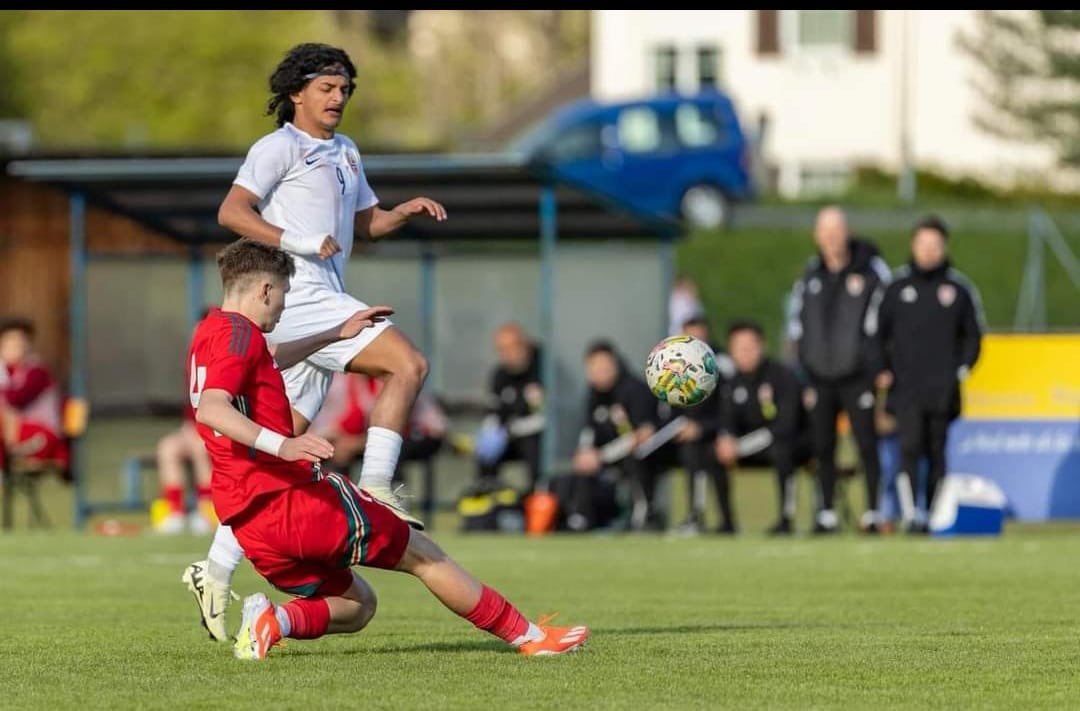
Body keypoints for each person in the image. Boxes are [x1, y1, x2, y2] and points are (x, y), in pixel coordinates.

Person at [187, 240, 587, 660]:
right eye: (284, 296)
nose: (283, 308)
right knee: (425, 556)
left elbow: (267, 359)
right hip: (293, 502)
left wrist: (333, 335)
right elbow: (213, 407)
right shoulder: (239, 336)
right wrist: (284, 444)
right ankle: (530, 638)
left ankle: (274, 621)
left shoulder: (214, 332)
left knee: (359, 605)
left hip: (250, 525)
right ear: (266, 289)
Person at [187, 43, 447, 634]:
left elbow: (364, 225)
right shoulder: (278, 146)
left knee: (286, 445)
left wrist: (400, 211)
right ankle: (378, 488)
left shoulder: (347, 152)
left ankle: (215, 568)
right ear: (296, 92)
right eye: (328, 88)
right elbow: (232, 210)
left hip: (319, 301)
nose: (338, 99)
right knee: (407, 364)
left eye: (345, 90)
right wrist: (296, 243)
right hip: (296, 296)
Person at [875, 215, 984, 533]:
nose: (928, 251)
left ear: (944, 247)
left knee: (936, 451)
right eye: (923, 244)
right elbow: (876, 333)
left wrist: (960, 371)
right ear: (913, 245)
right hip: (905, 387)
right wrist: (882, 368)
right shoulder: (895, 288)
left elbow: (974, 337)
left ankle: (934, 512)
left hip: (942, 389)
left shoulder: (959, 289)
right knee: (908, 447)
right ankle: (912, 514)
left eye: (935, 245)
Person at [788, 206, 889, 533]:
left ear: (847, 232)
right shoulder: (810, 276)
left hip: (858, 376)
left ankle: (874, 512)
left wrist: (878, 366)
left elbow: (884, 323)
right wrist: (802, 372)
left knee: (866, 443)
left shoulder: (872, 271)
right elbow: (797, 328)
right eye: (825, 230)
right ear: (816, 236)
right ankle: (826, 512)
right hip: (819, 376)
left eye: (836, 229)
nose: (831, 237)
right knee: (823, 446)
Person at [715, 321, 811, 535]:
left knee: (782, 450)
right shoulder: (730, 383)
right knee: (712, 452)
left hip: (791, 443)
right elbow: (726, 420)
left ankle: (786, 520)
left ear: (762, 346)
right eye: (739, 348)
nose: (745, 354)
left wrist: (739, 447)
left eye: (749, 347)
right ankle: (726, 522)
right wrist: (726, 438)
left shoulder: (783, 376)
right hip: (748, 448)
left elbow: (786, 425)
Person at [564, 341, 667, 531]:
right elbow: (589, 430)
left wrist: (601, 456)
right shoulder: (594, 395)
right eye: (594, 368)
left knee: (636, 460)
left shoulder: (635, 390)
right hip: (608, 455)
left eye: (605, 366)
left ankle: (642, 518)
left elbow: (642, 435)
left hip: (644, 455)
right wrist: (585, 452)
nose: (600, 372)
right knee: (581, 470)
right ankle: (580, 518)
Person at [310, 372, 446, 479]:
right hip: (370, 435)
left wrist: (353, 444)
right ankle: (338, 501)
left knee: (389, 450)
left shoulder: (390, 377)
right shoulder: (342, 380)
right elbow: (339, 423)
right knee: (330, 453)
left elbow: (393, 427)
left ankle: (389, 501)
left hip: (423, 432)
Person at [671, 317, 737, 535]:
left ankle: (724, 520)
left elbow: (729, 408)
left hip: (717, 433)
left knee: (705, 452)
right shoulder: (672, 364)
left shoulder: (722, 364)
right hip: (683, 434)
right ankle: (648, 517)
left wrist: (706, 429)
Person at [474, 323, 544, 491]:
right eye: (500, 350)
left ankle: (536, 497)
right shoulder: (500, 374)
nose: (504, 355)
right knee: (484, 454)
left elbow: (545, 417)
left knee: (532, 447)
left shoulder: (542, 369)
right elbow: (494, 411)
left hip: (536, 437)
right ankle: (489, 499)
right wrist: (488, 431)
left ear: (523, 346)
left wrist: (509, 430)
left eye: (509, 348)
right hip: (509, 437)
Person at [0, 318, 68, 477]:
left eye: (19, 343)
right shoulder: (7, 372)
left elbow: (15, 399)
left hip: (43, 436)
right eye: (9, 343)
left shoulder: (36, 372)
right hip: (14, 434)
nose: (16, 347)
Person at [154, 402, 215, 535]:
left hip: (215, 431)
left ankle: (206, 512)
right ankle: (176, 513)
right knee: (167, 448)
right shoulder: (190, 380)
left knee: (200, 449)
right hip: (192, 430)